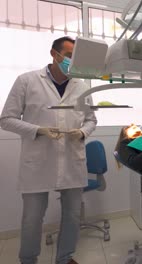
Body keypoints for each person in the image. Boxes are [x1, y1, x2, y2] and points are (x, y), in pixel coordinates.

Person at [0, 36, 97, 264]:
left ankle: (65, 258)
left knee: (73, 215)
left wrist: (82, 132)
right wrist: (38, 130)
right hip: (38, 162)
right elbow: (5, 119)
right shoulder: (27, 81)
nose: (73, 61)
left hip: (72, 160)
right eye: (70, 56)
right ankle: (28, 259)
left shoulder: (82, 86)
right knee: (32, 218)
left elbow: (91, 119)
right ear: (54, 54)